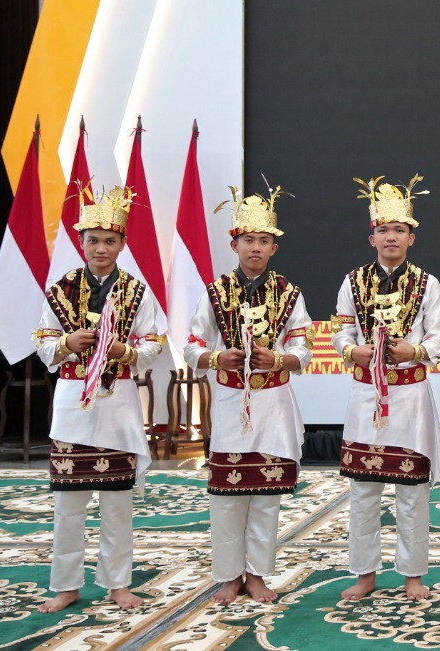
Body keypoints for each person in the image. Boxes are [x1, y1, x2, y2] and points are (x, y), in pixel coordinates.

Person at [32, 187, 164, 613]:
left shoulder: (136, 292)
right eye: (93, 240)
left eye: (110, 240)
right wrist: (68, 341)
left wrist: (124, 350)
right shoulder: (61, 290)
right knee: (68, 506)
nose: (101, 248)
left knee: (117, 505)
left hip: (118, 402)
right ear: (81, 242)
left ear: (123, 244)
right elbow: (43, 339)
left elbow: (153, 341)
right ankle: (66, 585)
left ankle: (117, 583)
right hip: (73, 403)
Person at [184, 186, 312, 605]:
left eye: (263, 241)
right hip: (228, 403)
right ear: (234, 243)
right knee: (226, 495)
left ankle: (257, 575)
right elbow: (189, 345)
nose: (255, 248)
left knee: (265, 496)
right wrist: (218, 357)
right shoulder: (214, 292)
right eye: (248, 240)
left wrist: (276, 360)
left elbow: (303, 349)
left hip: (272, 404)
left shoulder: (289, 294)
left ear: (274, 247)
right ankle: (227, 576)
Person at [331, 176, 440, 602]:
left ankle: (413, 574)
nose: (391, 237)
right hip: (366, 394)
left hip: (410, 395)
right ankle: (365, 573)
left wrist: (412, 349)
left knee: (412, 490)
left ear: (411, 238)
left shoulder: (427, 283)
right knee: (363, 489)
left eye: (399, 230)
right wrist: (353, 351)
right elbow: (340, 332)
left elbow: (437, 339)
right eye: (384, 230)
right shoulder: (353, 281)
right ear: (372, 236)